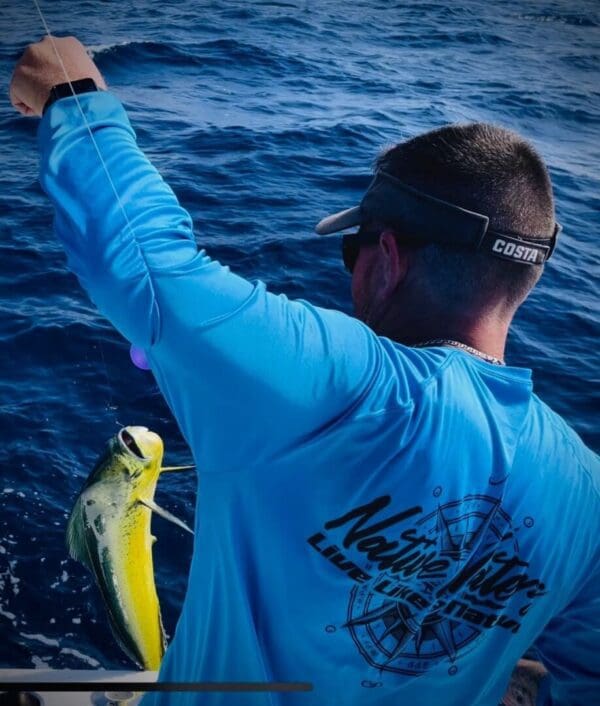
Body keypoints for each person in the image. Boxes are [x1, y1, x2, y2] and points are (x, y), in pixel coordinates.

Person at [10, 37, 599, 706]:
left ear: (387, 257)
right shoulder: (587, 497)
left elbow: (143, 266)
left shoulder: (339, 388)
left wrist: (74, 94)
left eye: (353, 251)